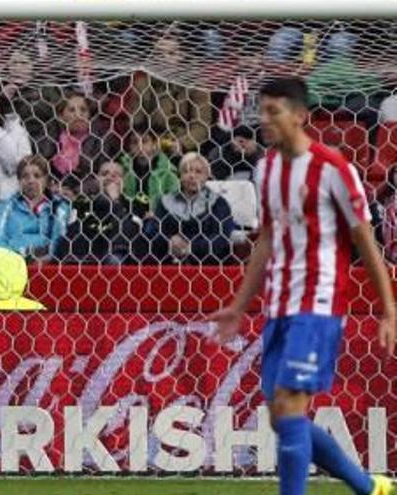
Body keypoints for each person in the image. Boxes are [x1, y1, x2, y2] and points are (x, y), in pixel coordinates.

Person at [212, 77, 395, 495]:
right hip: (280, 304)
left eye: (274, 111)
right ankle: (367, 486)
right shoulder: (269, 168)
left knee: (290, 408)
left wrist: (390, 309)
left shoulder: (333, 168)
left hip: (319, 304)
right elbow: (267, 239)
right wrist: (240, 305)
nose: (264, 119)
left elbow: (366, 240)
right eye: (262, 111)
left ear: (300, 115)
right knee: (282, 416)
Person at [146, 153, 236, 265]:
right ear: (180, 175)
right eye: (187, 171)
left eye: (198, 172)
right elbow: (154, 231)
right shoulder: (165, 201)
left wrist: (190, 247)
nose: (192, 176)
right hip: (169, 261)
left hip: (207, 265)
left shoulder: (218, 203)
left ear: (207, 176)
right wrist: (170, 242)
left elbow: (222, 238)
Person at [59, 159, 148, 264]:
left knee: (127, 227)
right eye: (105, 174)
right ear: (97, 179)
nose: (110, 178)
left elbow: (134, 230)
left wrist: (115, 201)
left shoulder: (136, 204)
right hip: (87, 258)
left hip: (122, 262)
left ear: (124, 182)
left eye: (116, 175)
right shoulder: (82, 203)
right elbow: (73, 229)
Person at [0, 155, 70, 263]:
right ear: (19, 181)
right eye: (25, 176)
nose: (31, 181)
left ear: (46, 180)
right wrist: (14, 256)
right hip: (10, 265)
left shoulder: (59, 208)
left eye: (37, 176)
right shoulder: (6, 207)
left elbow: (59, 240)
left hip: (47, 268)